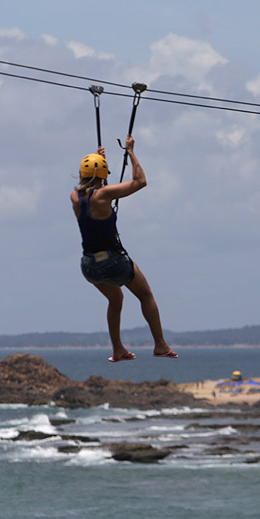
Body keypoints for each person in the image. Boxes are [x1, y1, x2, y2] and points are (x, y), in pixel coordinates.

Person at [72, 139, 176, 362]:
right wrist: (130, 152)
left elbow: (93, 185)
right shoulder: (103, 195)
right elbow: (140, 181)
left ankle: (118, 349)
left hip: (89, 265)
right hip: (112, 261)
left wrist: (99, 162)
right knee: (145, 295)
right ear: (102, 175)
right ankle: (160, 344)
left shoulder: (75, 198)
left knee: (116, 300)